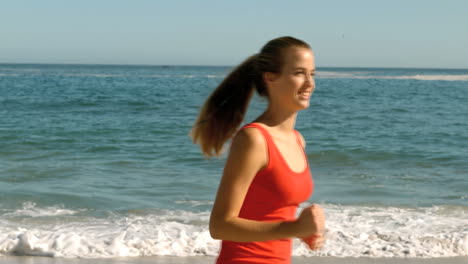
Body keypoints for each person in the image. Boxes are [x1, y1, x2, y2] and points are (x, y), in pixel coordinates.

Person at [191, 36, 325, 264]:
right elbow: (220, 226)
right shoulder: (254, 139)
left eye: (312, 74)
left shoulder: (297, 140)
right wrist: (294, 229)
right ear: (270, 77)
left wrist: (306, 233)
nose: (309, 83)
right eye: (299, 73)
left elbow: (273, 216)